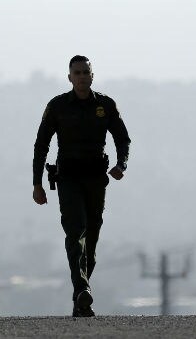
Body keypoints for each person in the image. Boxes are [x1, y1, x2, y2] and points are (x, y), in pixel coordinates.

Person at [32, 55, 131, 317]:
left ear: (92, 75)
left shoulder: (106, 105)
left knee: (92, 241)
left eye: (86, 72)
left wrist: (121, 165)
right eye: (77, 73)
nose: (82, 77)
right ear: (69, 77)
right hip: (68, 179)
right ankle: (82, 290)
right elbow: (41, 145)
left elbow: (123, 139)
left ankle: (79, 297)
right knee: (76, 233)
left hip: (96, 179)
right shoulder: (58, 107)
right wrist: (37, 184)